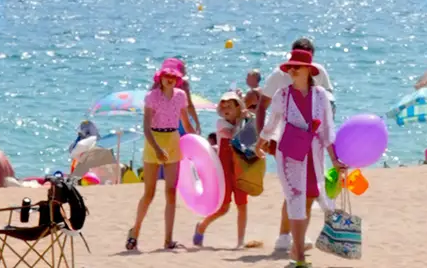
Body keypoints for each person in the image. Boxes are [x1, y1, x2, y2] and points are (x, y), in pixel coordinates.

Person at [259, 42, 337, 265]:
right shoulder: (282, 95)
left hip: (314, 157)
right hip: (291, 156)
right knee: (295, 198)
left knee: (310, 197)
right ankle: (299, 254)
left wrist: (335, 160)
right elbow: (271, 122)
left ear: (308, 71)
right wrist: (260, 142)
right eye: (290, 67)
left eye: (297, 67)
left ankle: (297, 248)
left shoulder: (321, 95)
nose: (292, 71)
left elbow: (327, 129)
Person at [126, 57, 200, 252]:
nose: (170, 79)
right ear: (160, 77)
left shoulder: (180, 96)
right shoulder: (152, 97)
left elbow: (185, 122)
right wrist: (157, 149)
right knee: (149, 193)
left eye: (174, 76)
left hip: (173, 140)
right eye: (167, 75)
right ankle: (135, 232)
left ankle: (168, 239)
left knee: (171, 192)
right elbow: (146, 127)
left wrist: (197, 140)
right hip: (154, 142)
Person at [193, 92, 252, 249]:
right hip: (224, 169)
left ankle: (240, 241)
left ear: (238, 107)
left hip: (240, 168)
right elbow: (233, 135)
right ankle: (202, 226)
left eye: (230, 106)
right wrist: (244, 119)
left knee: (242, 204)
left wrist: (248, 119)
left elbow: (252, 136)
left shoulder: (244, 120)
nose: (226, 109)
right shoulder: (221, 123)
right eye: (223, 106)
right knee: (223, 207)